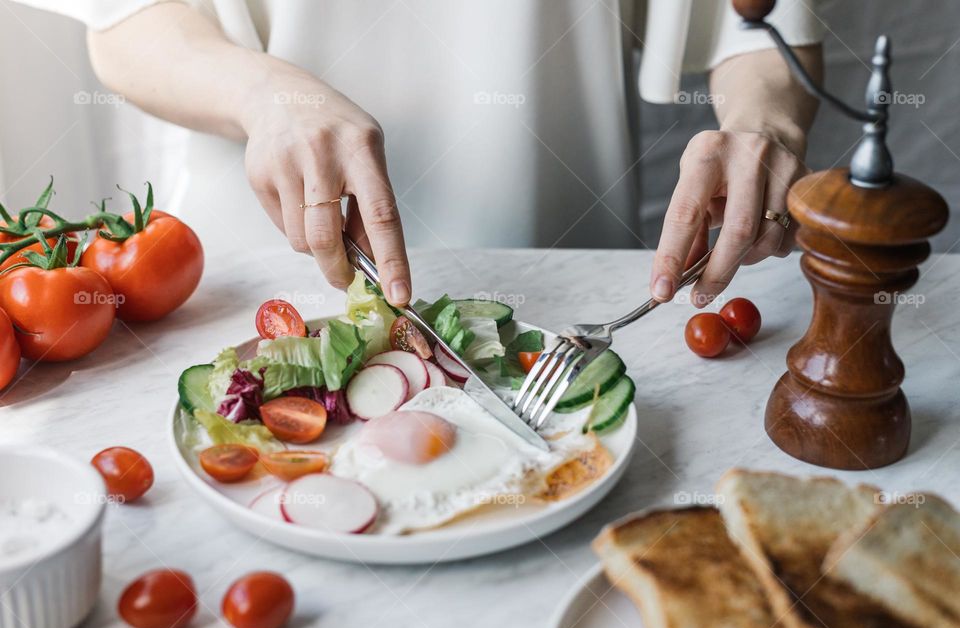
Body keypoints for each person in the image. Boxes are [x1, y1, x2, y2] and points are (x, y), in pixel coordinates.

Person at [19, 0, 822, 307]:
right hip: (249, 286)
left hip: (569, 289)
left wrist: (768, 128)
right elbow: (125, 23)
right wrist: (266, 94)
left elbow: (757, 21)